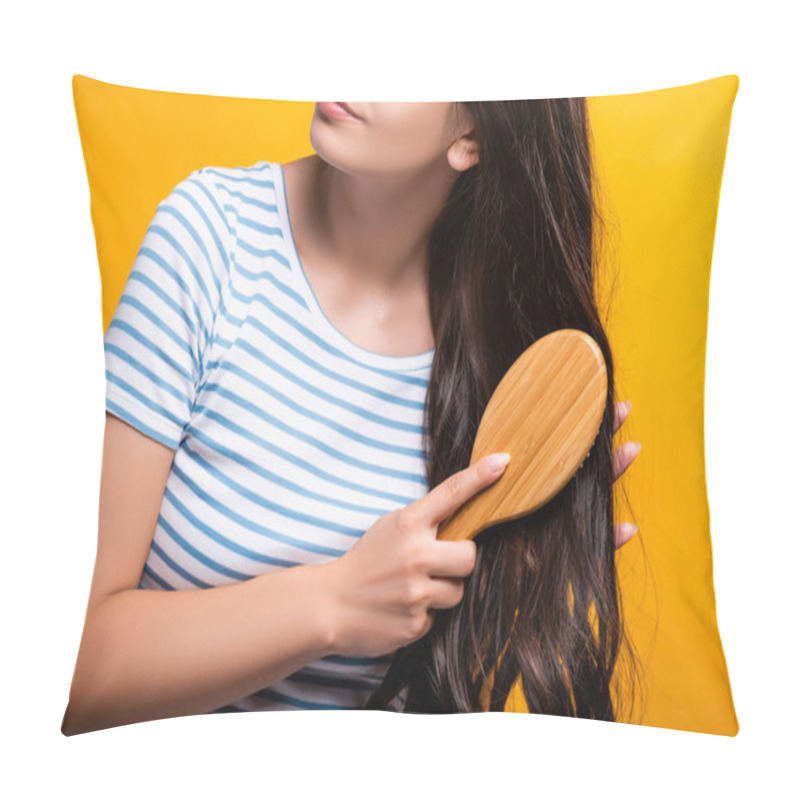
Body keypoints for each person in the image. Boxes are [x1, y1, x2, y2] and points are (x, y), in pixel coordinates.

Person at [61, 100, 640, 735]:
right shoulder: (211, 238)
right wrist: (337, 600)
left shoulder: (496, 360)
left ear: (473, 135)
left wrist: (497, 596)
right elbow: (71, 669)